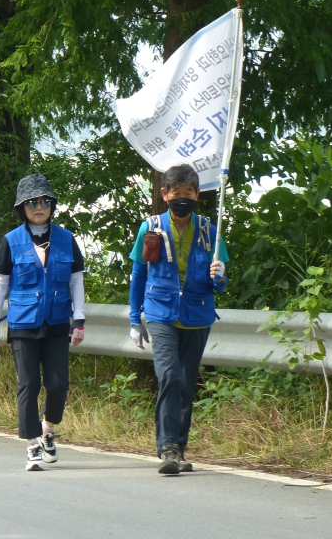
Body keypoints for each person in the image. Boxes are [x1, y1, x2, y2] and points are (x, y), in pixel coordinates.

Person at [128, 163, 228, 475]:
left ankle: (180, 449)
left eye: (188, 193)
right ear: (164, 194)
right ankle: (168, 448)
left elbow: (219, 285)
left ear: (197, 194)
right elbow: (138, 275)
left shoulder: (211, 232)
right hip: (160, 313)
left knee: (186, 384)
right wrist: (135, 319)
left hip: (197, 315)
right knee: (169, 375)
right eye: (176, 193)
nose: (182, 199)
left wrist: (220, 276)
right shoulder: (151, 229)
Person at [0, 174, 86, 471]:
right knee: (29, 383)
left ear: (51, 205)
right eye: (31, 202)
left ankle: (48, 430)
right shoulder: (10, 241)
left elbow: (76, 281)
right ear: (22, 207)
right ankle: (31, 445)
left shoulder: (67, 239)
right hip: (23, 324)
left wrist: (78, 320)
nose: (38, 207)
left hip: (56, 323)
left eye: (44, 201)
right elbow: (0, 286)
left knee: (58, 384)